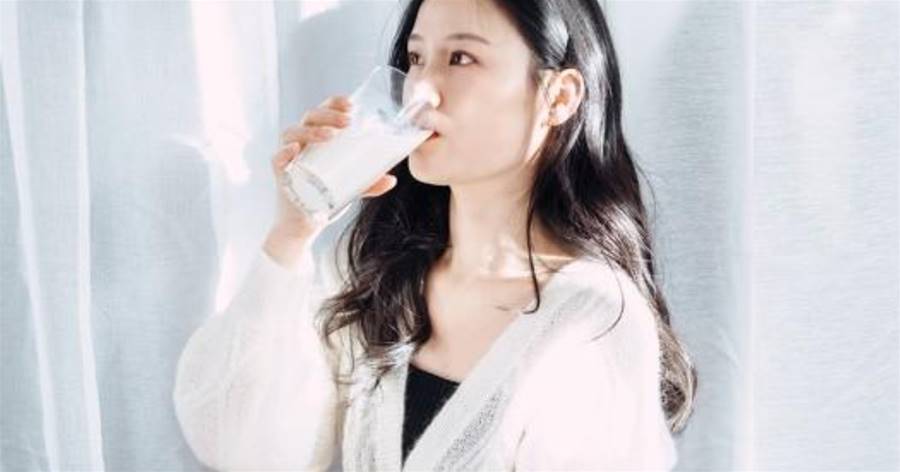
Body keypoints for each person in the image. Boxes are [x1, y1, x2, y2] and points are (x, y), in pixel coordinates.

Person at [173, 0, 697, 470]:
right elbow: (242, 447)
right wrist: (292, 233)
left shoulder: (591, 315)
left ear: (558, 96)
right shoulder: (372, 274)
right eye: (417, 58)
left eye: (461, 58)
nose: (420, 89)